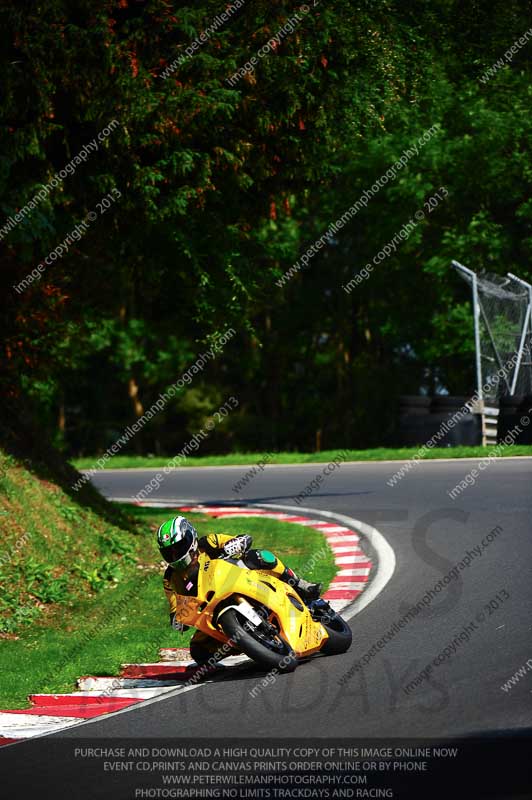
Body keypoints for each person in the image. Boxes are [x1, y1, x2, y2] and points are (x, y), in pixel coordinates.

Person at [158, 515, 321, 666]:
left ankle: (299, 584)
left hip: (239, 577)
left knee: (259, 556)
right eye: (169, 552)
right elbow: (175, 608)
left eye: (179, 547)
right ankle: (244, 643)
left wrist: (236, 543)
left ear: (191, 537)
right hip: (211, 609)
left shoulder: (208, 543)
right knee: (198, 650)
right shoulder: (170, 578)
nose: (175, 554)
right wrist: (177, 621)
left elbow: (241, 539)